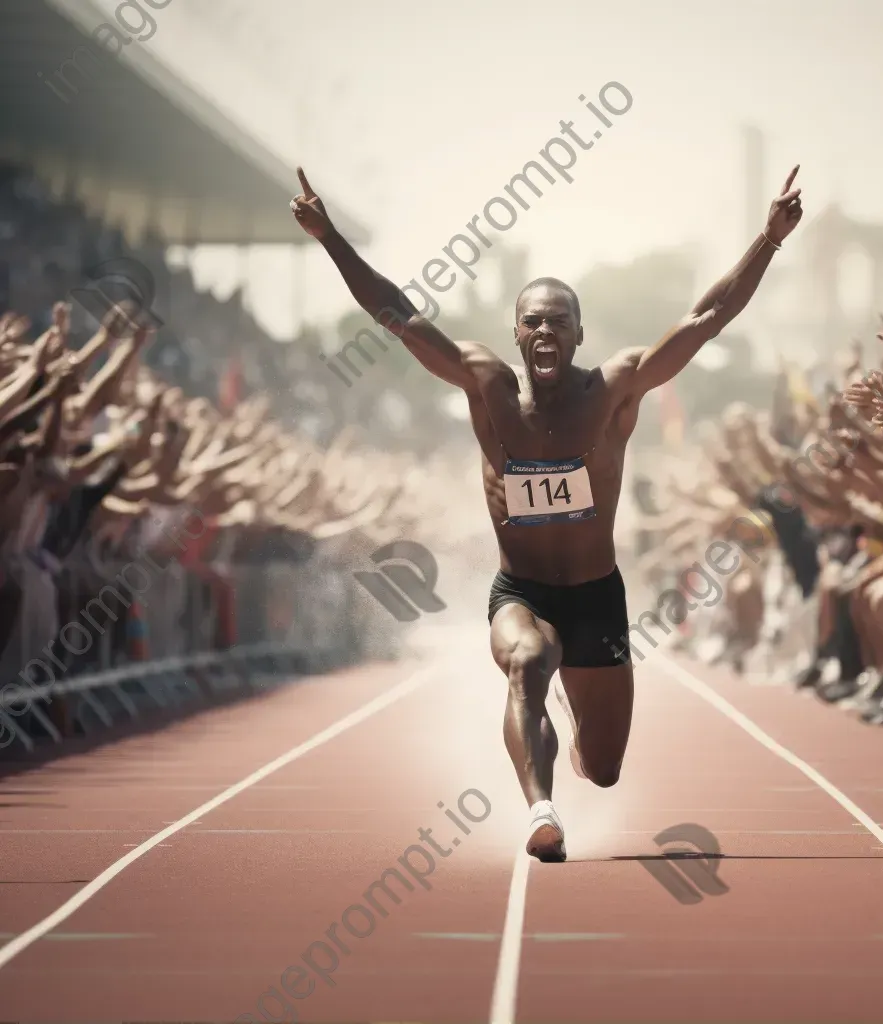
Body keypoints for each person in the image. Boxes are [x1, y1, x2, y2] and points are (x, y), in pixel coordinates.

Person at [291, 165, 804, 861]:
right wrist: (329, 237)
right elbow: (396, 314)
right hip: (522, 593)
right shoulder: (483, 383)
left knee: (606, 766)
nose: (543, 330)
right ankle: (540, 809)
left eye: (557, 321)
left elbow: (704, 321)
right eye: (531, 320)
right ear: (514, 332)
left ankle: (572, 714)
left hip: (596, 596)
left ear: (578, 333)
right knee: (527, 660)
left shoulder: (615, 390)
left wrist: (767, 242)